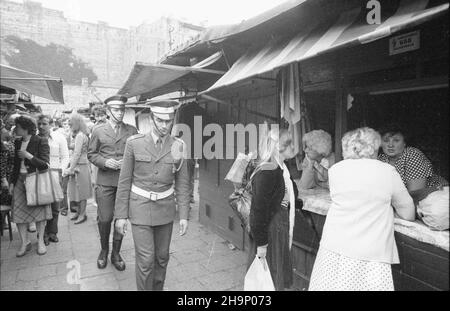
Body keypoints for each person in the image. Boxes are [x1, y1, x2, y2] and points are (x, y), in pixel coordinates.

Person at [308, 127, 415, 291]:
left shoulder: (336, 170)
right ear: (373, 147)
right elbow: (408, 213)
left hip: (333, 247)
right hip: (370, 255)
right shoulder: (387, 171)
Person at [114, 99, 190, 291]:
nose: (165, 125)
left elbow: (182, 182)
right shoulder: (134, 144)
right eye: (160, 120)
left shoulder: (178, 145)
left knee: (162, 258)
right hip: (140, 208)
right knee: (146, 261)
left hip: (165, 209)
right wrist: (121, 216)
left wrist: (184, 215)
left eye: (169, 121)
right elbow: (124, 182)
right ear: (151, 119)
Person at [88, 95, 138, 271]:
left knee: (121, 218)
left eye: (122, 109)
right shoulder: (98, 130)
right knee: (105, 219)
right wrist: (104, 162)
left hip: (124, 182)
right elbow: (91, 154)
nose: (120, 113)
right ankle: (104, 250)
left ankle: (116, 253)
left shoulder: (132, 131)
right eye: (116, 110)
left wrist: (128, 161)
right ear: (108, 111)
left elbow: (137, 153)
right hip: (105, 181)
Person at [248, 126, 298, 291]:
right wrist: (262, 243)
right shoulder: (268, 170)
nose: (293, 147)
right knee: (268, 280)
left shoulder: (282, 168)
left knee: (273, 278)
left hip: (278, 227)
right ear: (278, 146)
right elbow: (258, 210)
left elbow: (289, 193)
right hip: (270, 230)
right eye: (289, 143)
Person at [378, 123, 449, 231]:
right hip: (405, 202)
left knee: (438, 216)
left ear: (404, 143)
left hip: (432, 194)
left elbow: (416, 192)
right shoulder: (381, 159)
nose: (390, 145)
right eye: (386, 140)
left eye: (396, 140)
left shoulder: (411, 154)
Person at [9, 115, 52, 257]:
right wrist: (11, 182)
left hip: (35, 181)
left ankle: (40, 242)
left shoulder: (41, 141)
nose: (15, 129)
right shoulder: (17, 142)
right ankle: (24, 242)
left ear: (26, 129)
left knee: (39, 213)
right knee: (18, 213)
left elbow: (45, 164)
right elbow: (15, 165)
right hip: (19, 182)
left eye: (18, 127)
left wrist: (28, 155)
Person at [37, 114, 69, 244]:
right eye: (39, 124)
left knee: (55, 207)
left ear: (51, 124)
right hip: (39, 176)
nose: (41, 126)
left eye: (44, 124)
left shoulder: (59, 137)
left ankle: (52, 232)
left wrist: (61, 171)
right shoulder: (35, 138)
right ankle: (42, 234)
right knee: (42, 206)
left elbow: (65, 156)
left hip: (55, 175)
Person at [64, 113, 92, 224]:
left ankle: (82, 214)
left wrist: (71, 168)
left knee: (81, 191)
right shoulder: (80, 135)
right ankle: (79, 212)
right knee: (76, 191)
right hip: (79, 165)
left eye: (71, 121)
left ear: (77, 122)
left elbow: (77, 153)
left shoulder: (80, 135)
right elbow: (75, 148)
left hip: (80, 166)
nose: (69, 123)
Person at [1, 118, 15, 230]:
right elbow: (4, 162)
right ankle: (3, 221)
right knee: (5, 198)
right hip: (8, 174)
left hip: (12, 175)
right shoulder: (8, 145)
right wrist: (3, 178)